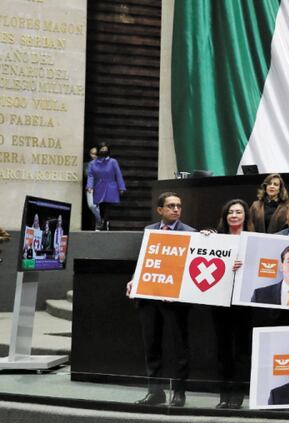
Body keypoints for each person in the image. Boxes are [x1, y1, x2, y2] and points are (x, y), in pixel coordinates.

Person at [130, 192, 196, 407]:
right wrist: (134, 280)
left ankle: (179, 392)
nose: (176, 209)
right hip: (149, 297)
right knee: (152, 346)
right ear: (160, 210)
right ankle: (155, 392)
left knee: (179, 348)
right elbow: (144, 261)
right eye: (171, 206)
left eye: (178, 206)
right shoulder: (149, 231)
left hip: (175, 301)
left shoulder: (190, 233)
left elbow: (191, 269)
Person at [210, 198, 253, 409]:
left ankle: (237, 394)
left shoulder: (254, 240)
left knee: (242, 350)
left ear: (245, 216)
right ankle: (224, 394)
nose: (234, 215)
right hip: (220, 301)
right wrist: (205, 238)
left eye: (238, 212)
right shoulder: (216, 239)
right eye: (230, 212)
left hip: (244, 302)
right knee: (223, 349)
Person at [86, 142, 126, 231]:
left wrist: (121, 187)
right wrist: (89, 186)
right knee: (101, 206)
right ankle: (104, 223)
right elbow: (90, 176)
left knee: (108, 205)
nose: (104, 151)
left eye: (105, 150)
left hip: (111, 186)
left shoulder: (113, 162)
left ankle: (104, 223)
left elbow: (118, 174)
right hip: (99, 186)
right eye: (102, 149)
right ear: (98, 150)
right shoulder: (92, 163)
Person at [84, 146, 103, 229]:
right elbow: (88, 175)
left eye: (96, 154)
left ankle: (98, 226)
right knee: (91, 205)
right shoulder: (89, 164)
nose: (94, 155)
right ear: (90, 154)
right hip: (90, 188)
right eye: (93, 154)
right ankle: (100, 221)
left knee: (97, 206)